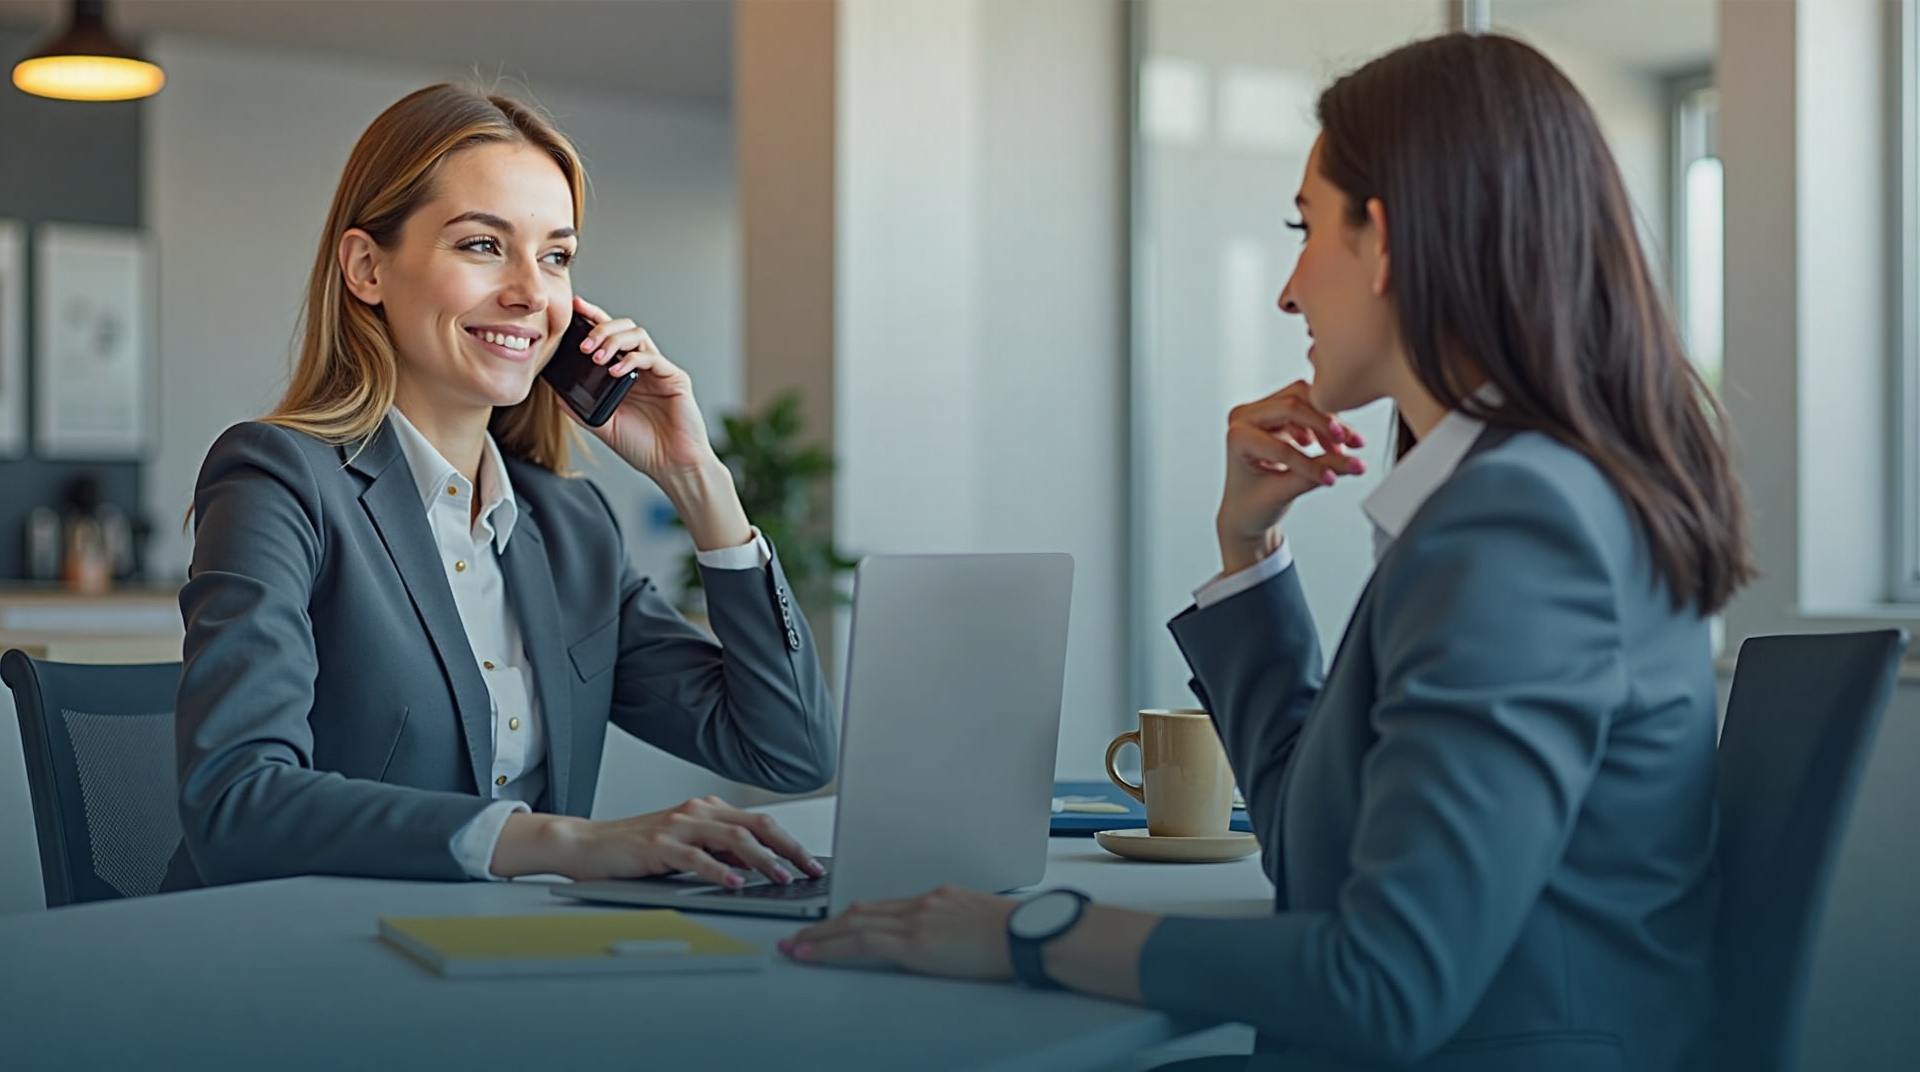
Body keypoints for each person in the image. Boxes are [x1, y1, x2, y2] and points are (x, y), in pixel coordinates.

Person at [781, 32, 1753, 1072]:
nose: (1289, 291)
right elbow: (1310, 852)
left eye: (1306, 231)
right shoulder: (1517, 499)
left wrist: (1034, 932)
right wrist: (1246, 548)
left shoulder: (1519, 528)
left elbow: (1385, 983)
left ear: (1383, 241)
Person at [162, 83, 836, 893]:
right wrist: (567, 844)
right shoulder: (279, 479)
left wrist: (698, 480)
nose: (530, 292)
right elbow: (238, 804)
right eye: (483, 245)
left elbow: (789, 750)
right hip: (312, 965)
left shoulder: (568, 525)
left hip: (512, 966)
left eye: (555, 256)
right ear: (368, 267)